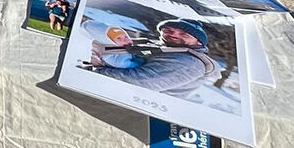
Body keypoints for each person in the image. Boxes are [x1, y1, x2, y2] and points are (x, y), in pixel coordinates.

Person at [83, 19, 221, 95]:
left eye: (184, 35)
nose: (173, 35)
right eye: (169, 30)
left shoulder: (189, 62)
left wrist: (92, 71)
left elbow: (138, 82)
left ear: (199, 43)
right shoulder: (161, 46)